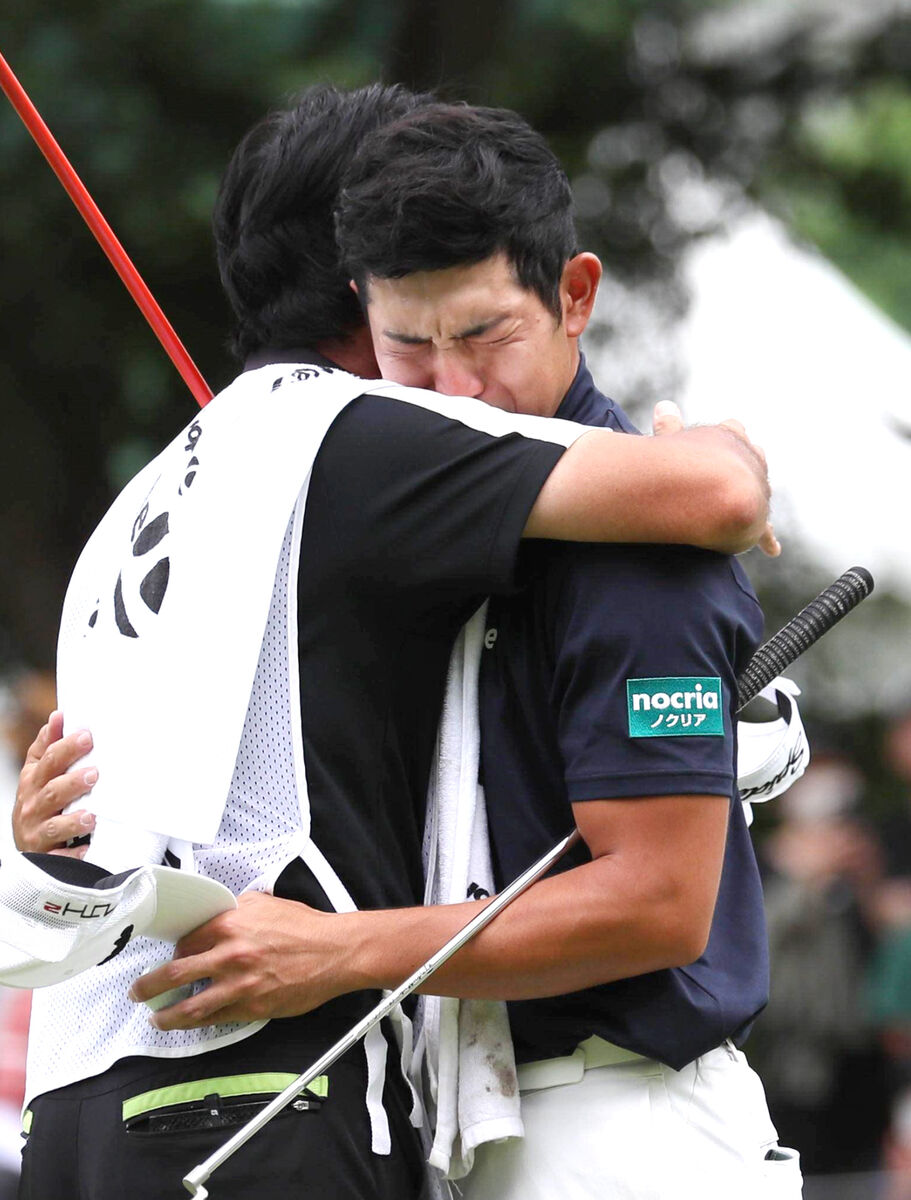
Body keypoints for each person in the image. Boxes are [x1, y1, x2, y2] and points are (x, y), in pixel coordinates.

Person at [8, 86, 773, 1200]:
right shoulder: (361, 445)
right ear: (357, 269)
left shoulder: (149, 495)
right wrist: (737, 458)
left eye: (482, 335)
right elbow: (709, 490)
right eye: (410, 341)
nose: (456, 387)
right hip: (263, 1094)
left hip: (97, 1105)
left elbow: (653, 885)